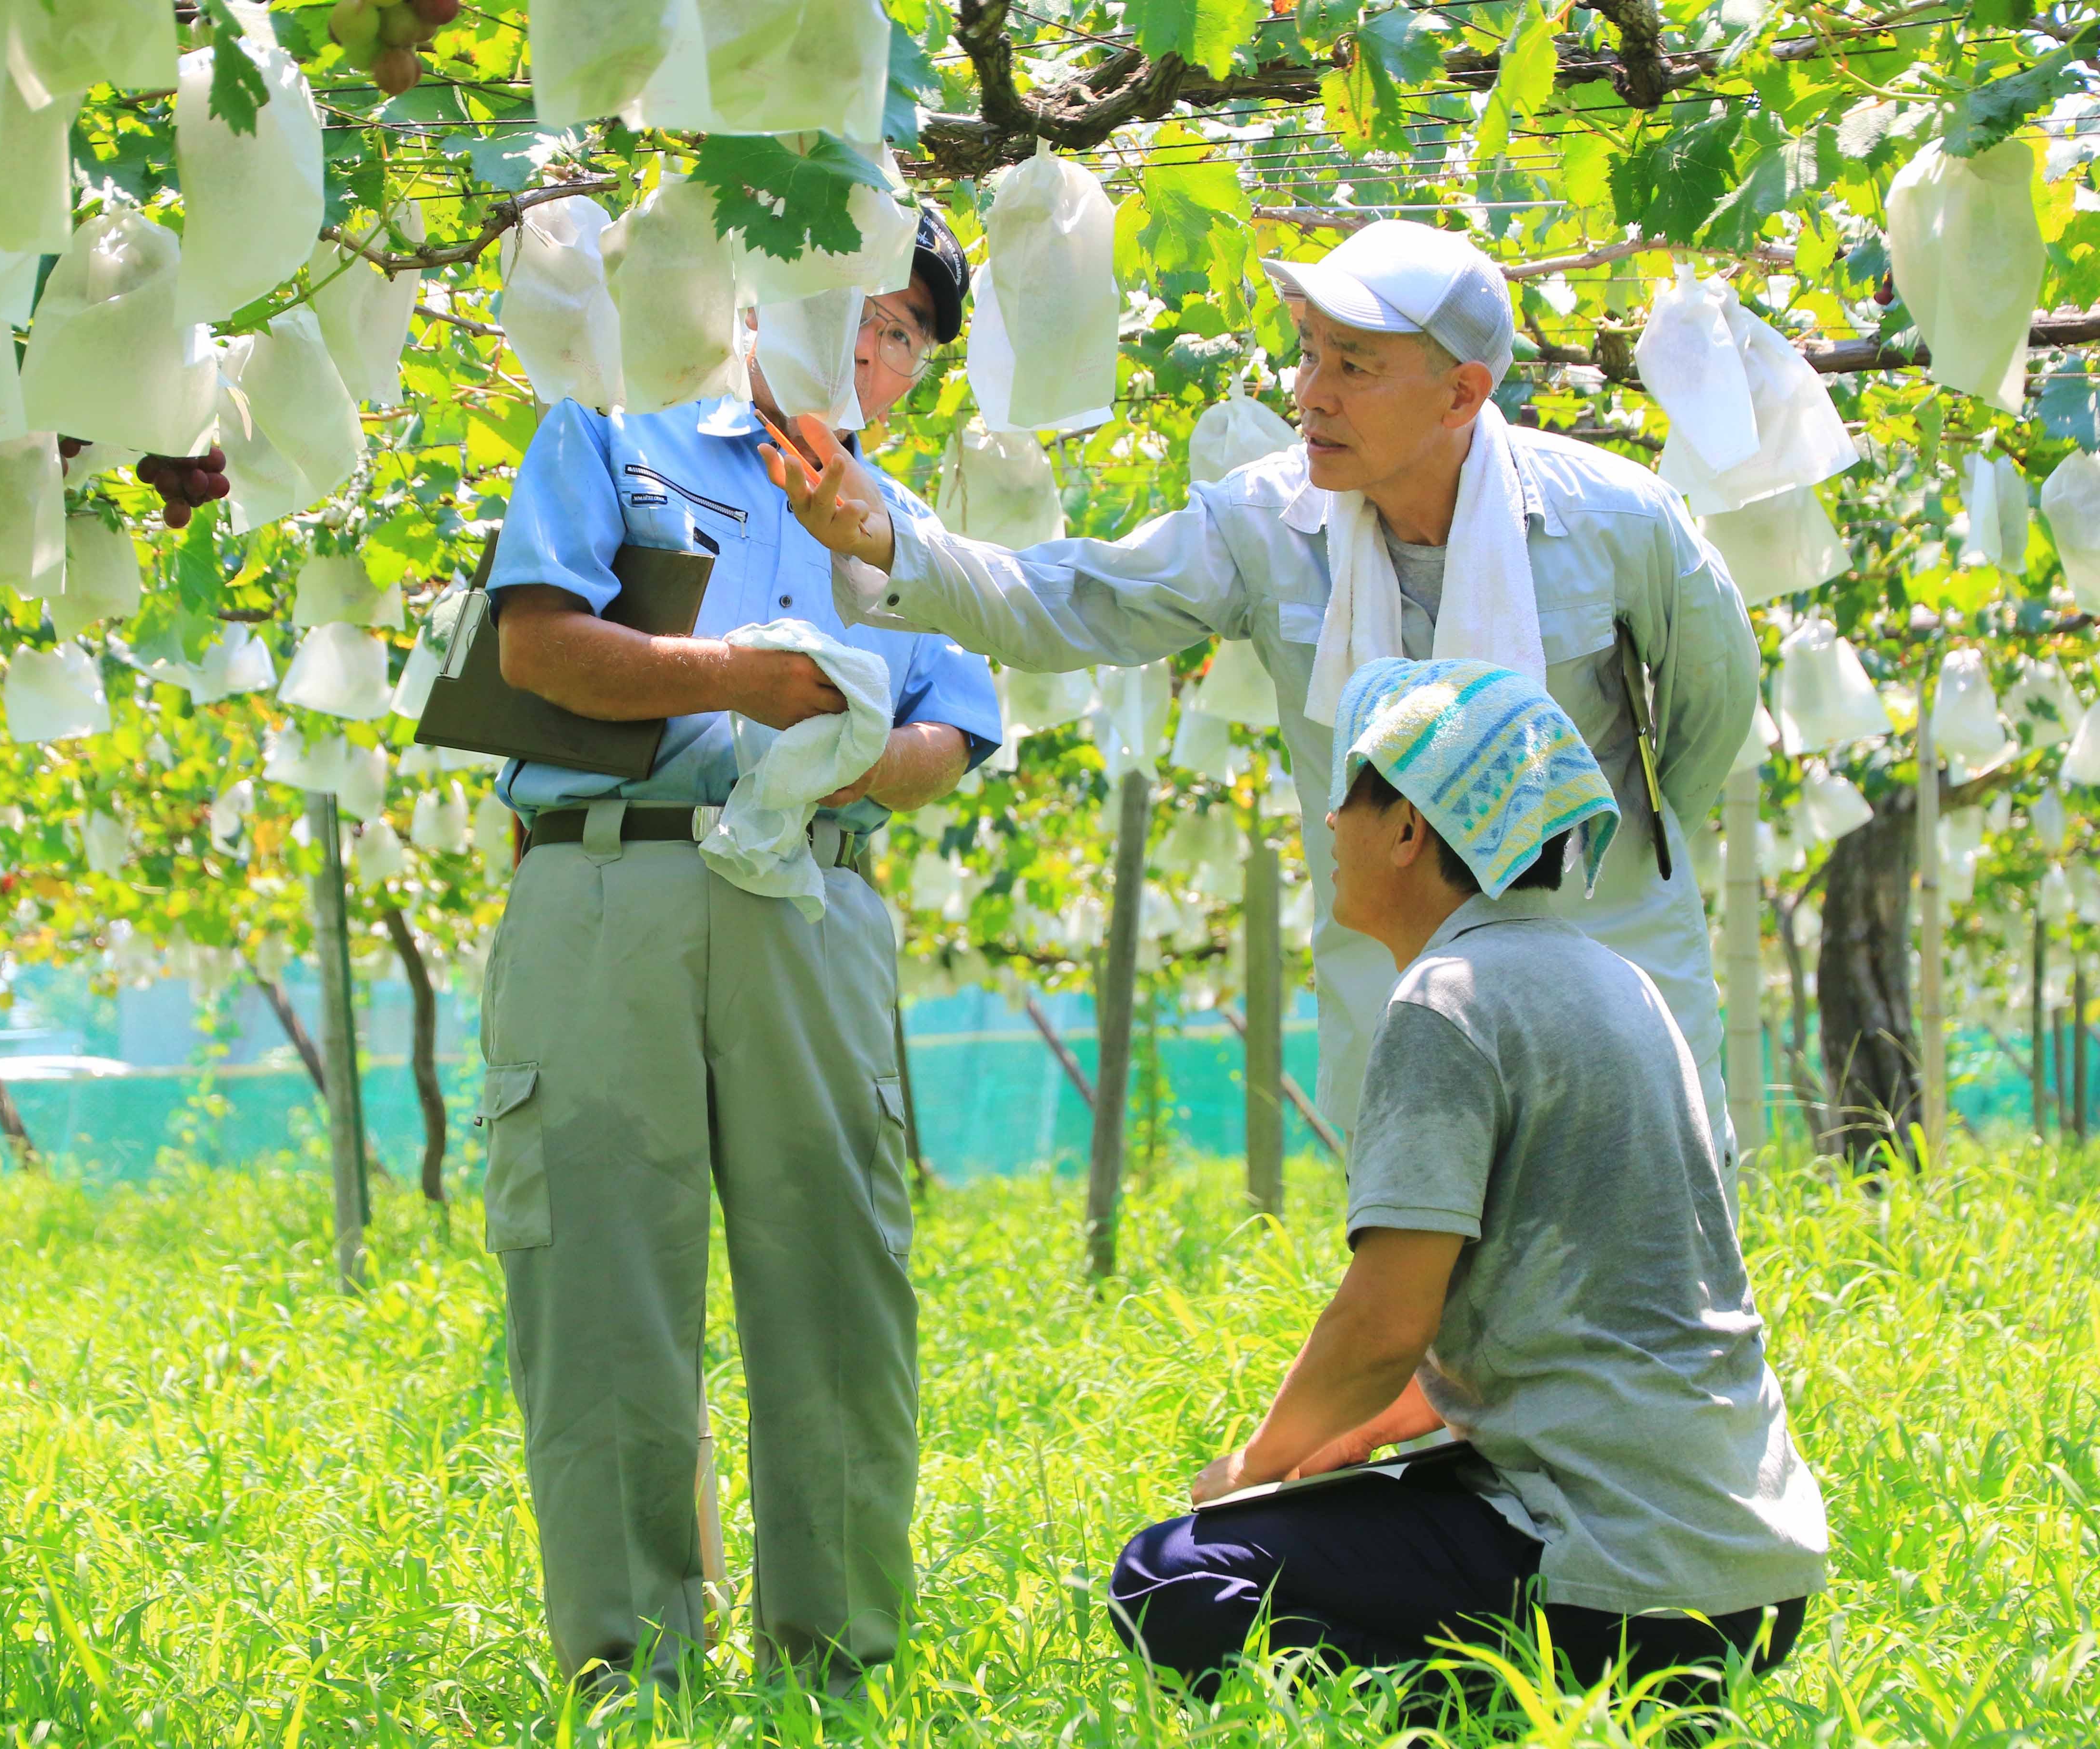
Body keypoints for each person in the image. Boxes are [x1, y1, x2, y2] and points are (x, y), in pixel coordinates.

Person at [766, 218, 1761, 1151]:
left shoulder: (1619, 524)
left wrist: (1626, 851)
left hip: (1607, 948)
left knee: (1645, 1279)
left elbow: (1708, 719)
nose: (1310, 393)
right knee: (1428, 1290)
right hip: (1398, 980)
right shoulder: (1267, 526)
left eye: (1354, 366)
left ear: (1461, 395)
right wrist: (888, 540)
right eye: (1309, 352)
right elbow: (1076, 599)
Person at [477, 208, 1002, 1691]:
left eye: (906, 333)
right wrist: (756, 686)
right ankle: (630, 1675)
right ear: (776, 296)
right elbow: (538, 644)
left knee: (836, 1278)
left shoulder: (904, 530)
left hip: (811, 895)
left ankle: (837, 1672)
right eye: (857, 306)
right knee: (600, 1287)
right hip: (609, 882)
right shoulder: (616, 429)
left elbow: (955, 730)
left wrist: (849, 761)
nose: (872, 346)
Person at [1104, 657, 1827, 1714]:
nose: (1329, 826)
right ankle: (1628, 1721)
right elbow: (1534, 1329)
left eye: (1349, 796)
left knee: (1172, 1573)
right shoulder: (1617, 983)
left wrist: (1254, 1465)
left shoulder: (1449, 1000)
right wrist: (1346, 1444)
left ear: (1408, 828)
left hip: (1616, 1571)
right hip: (1749, 1573)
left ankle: (1531, 1723)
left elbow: (1385, 1323)